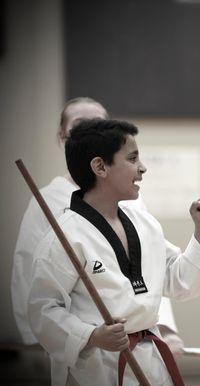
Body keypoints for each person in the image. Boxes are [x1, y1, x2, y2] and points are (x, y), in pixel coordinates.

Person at [27, 118, 200, 386]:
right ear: (100, 167)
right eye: (133, 159)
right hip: (96, 371)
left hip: (150, 366)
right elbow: (42, 309)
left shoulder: (144, 223)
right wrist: (92, 335)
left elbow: (177, 281)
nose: (143, 168)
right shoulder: (65, 237)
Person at [11, 97, 184, 353]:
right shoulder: (46, 201)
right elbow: (30, 279)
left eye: (99, 123)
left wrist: (166, 329)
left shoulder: (131, 199)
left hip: (140, 343)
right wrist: (56, 340)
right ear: (62, 137)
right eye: (80, 124)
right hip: (86, 348)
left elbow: (150, 269)